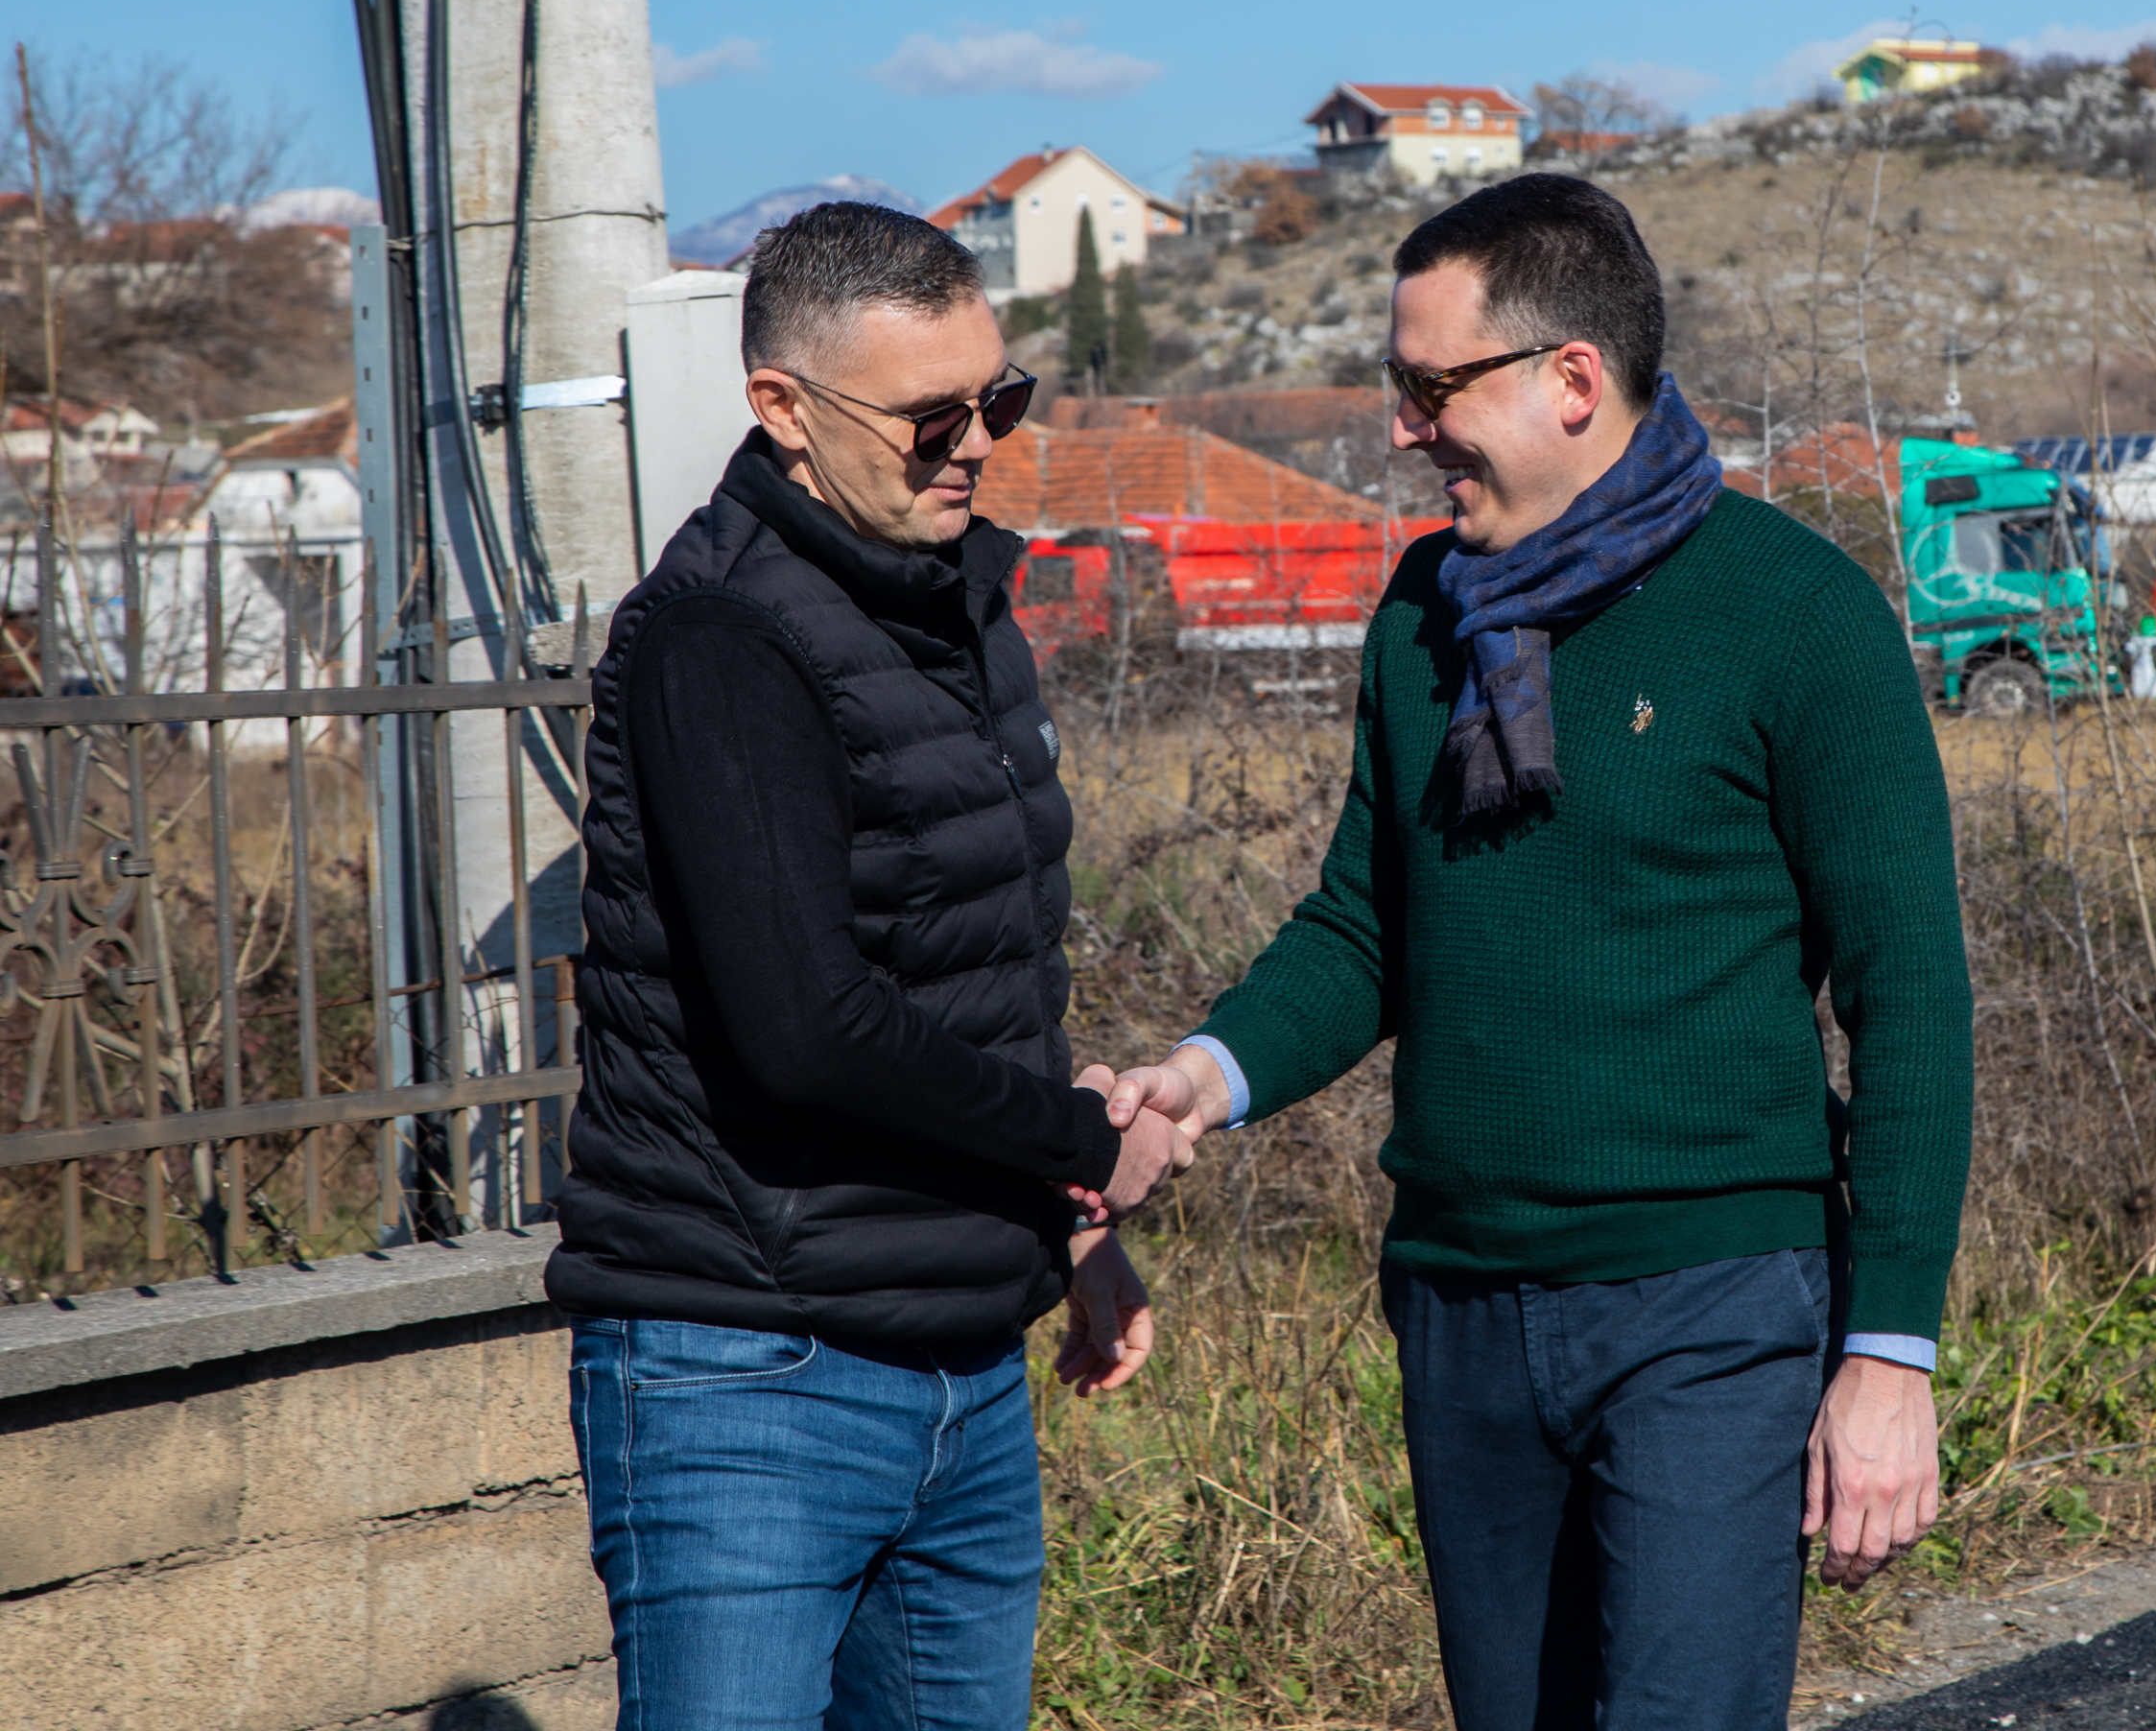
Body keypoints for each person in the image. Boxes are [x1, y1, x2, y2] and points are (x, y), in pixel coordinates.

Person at [1099, 174, 1974, 1730]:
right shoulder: (1429, 613)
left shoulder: (1795, 616)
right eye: (1399, 388)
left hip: (1709, 1307)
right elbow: (1370, 923)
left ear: (1572, 381)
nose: (1402, 430)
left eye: (1430, 390)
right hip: (1461, 1310)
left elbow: (1909, 998)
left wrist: (1889, 1352)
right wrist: (1202, 1076)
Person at [545, 201, 1191, 1730]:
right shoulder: (725, 637)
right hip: (749, 1372)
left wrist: (1067, 1220)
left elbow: (974, 973)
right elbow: (809, 1028)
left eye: (998, 402)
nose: (973, 445)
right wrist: (1087, 1140)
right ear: (782, 407)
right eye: (927, 419)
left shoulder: (954, 604)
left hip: (965, 1364)